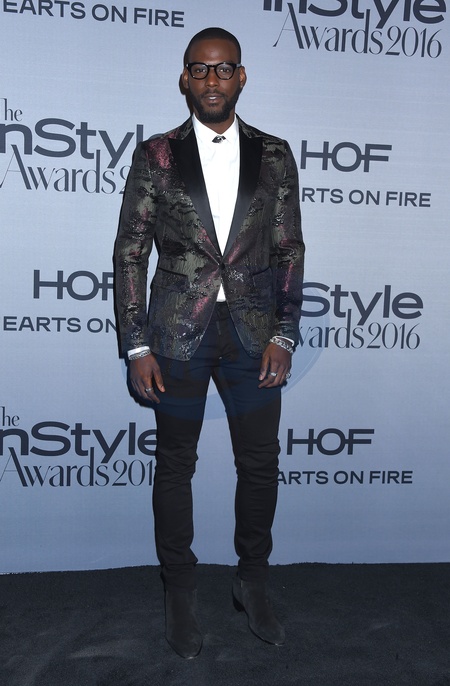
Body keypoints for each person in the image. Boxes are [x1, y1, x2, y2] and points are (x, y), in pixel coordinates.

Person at [114, 27, 304, 659]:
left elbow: (289, 248)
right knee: (175, 465)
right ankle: (179, 591)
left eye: (223, 70)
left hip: (253, 336)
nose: (212, 80)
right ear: (185, 78)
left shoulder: (274, 154)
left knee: (260, 464)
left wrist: (284, 331)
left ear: (241, 76)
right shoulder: (157, 154)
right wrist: (136, 344)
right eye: (200, 69)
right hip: (176, 336)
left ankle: (252, 582)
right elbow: (131, 252)